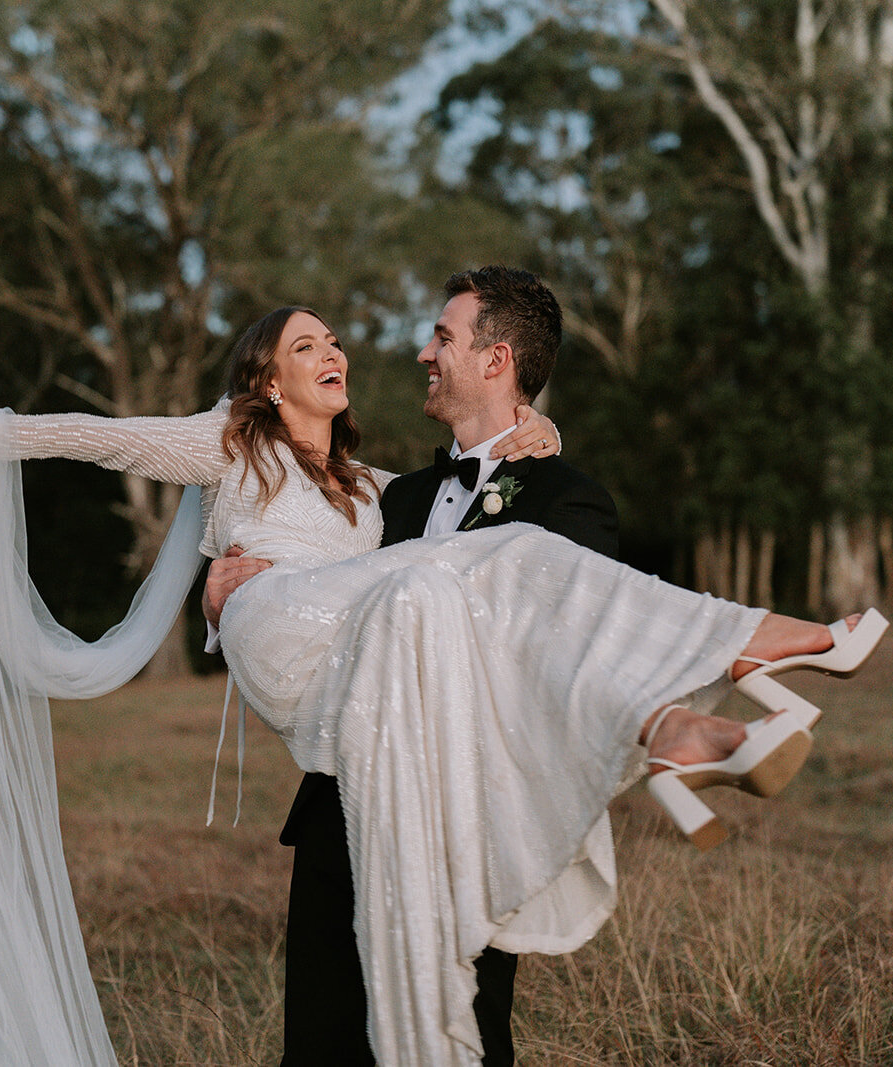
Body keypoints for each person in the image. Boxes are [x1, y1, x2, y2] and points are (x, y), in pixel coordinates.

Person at [0, 276, 888, 1067]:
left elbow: (470, 499)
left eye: (334, 339)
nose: (337, 352)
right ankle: (777, 646)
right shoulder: (231, 447)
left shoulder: (373, 492)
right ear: (269, 380)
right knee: (497, 566)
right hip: (274, 624)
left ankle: (676, 726)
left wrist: (541, 435)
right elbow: (96, 437)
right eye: (306, 344)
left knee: (494, 564)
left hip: (361, 681)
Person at [203, 266, 619, 1065]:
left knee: (454, 1043)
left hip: (463, 820)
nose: (423, 352)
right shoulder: (393, 499)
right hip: (340, 812)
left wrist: (549, 434)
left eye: (442, 337)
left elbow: (556, 661)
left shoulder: (570, 500)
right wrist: (222, 597)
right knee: (320, 1044)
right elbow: (310, 591)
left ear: (495, 360)